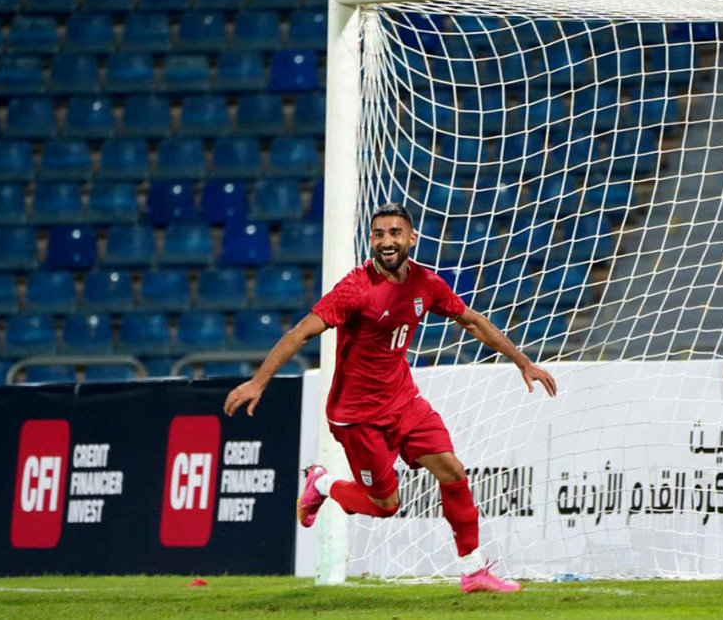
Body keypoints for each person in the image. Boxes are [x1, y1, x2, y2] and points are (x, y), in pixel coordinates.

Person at [224, 202, 558, 593]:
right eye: (379, 234)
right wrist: (259, 382)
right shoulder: (355, 289)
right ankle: (323, 483)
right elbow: (300, 332)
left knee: (453, 472)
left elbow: (472, 321)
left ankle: (473, 571)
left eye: (395, 233)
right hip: (357, 416)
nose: (387, 241)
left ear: (412, 238)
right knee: (386, 505)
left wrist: (522, 362)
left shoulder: (426, 284)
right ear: (371, 240)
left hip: (403, 401)